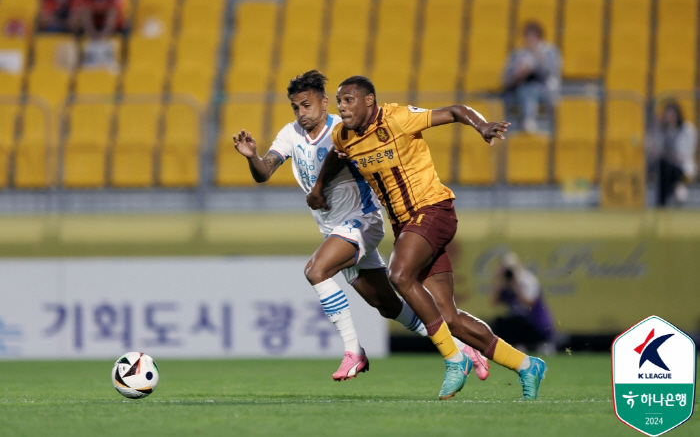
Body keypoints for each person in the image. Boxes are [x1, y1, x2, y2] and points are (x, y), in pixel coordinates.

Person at [233, 70, 488, 382]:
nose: (301, 113)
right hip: (333, 230)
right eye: (295, 107)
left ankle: (354, 351)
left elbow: (366, 154)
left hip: (361, 220)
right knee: (388, 305)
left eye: (306, 105)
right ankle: (461, 347)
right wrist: (252, 157)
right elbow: (265, 171)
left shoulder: (344, 129)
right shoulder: (290, 134)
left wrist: (320, 188)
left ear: (324, 103)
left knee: (316, 271)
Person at [307, 76, 546, 400]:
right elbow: (337, 155)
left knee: (398, 274)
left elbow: (455, 110)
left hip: (433, 210)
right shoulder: (344, 135)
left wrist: (481, 126)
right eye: (339, 100)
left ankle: (453, 360)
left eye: (349, 99)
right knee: (450, 318)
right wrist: (319, 187)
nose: (342, 107)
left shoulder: (399, 118)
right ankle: (526, 365)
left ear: (369, 101)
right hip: (408, 226)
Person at [502, 21, 561, 133]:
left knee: (530, 90)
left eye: (532, 37)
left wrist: (536, 58)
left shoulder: (550, 51)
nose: (529, 40)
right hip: (519, 90)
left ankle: (529, 121)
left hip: (545, 90)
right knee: (521, 92)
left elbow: (551, 71)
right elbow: (505, 79)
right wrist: (518, 74)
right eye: (527, 36)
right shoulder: (518, 54)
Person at [491, 252, 554, 353]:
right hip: (519, 326)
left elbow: (529, 303)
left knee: (517, 322)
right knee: (499, 323)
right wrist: (497, 280)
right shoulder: (506, 283)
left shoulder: (527, 280)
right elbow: (494, 302)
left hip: (534, 323)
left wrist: (515, 287)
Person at [646, 101, 698, 207]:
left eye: (671, 115)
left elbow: (685, 153)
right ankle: (676, 189)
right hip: (662, 166)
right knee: (662, 166)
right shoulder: (661, 131)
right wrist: (656, 129)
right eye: (667, 115)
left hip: (680, 167)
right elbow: (650, 149)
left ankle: (662, 201)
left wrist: (667, 154)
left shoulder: (687, 130)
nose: (669, 118)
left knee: (665, 167)